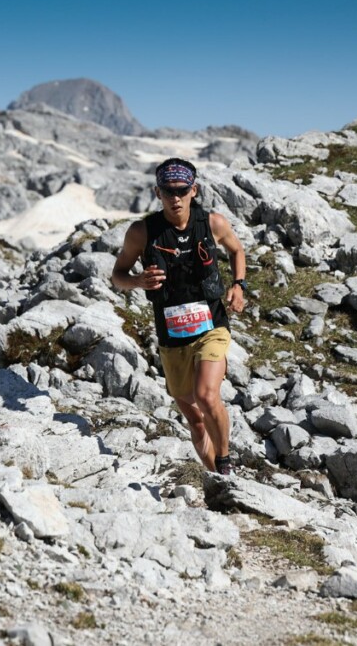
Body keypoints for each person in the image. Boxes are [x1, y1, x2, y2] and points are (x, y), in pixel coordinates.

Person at [112, 158, 246, 476]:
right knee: (195, 419)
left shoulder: (212, 223)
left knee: (206, 394)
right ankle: (217, 479)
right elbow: (117, 274)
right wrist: (137, 281)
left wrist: (238, 285)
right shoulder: (142, 232)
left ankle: (226, 463)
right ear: (157, 192)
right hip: (171, 337)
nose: (175, 198)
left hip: (212, 324)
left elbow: (236, 250)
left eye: (182, 191)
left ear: (193, 190)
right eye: (168, 191)